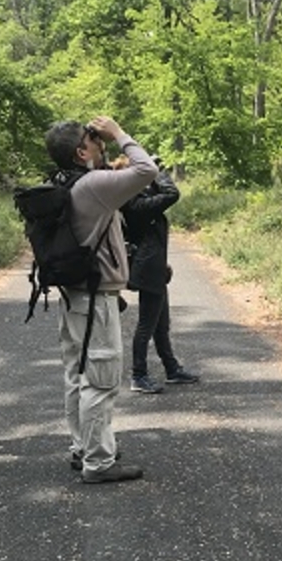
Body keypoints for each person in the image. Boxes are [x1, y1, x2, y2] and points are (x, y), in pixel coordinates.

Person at [43, 116, 158, 483]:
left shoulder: (64, 181)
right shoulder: (93, 184)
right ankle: (98, 462)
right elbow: (146, 170)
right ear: (81, 152)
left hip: (74, 296)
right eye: (93, 140)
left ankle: (83, 446)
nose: (100, 142)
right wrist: (119, 133)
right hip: (96, 300)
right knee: (102, 380)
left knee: (78, 375)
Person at [110, 156, 199, 393]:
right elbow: (172, 194)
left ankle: (172, 368)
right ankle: (138, 375)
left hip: (154, 267)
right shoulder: (133, 203)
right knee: (146, 325)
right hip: (148, 269)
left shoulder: (137, 198)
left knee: (161, 324)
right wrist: (156, 171)